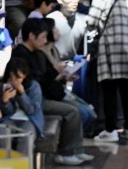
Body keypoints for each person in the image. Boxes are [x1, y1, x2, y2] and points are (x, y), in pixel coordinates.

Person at [12, 19, 92, 166]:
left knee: (74, 107)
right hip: (32, 100)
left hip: (41, 96)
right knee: (72, 111)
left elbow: (43, 78)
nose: (44, 41)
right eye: (42, 37)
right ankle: (66, 152)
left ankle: (76, 150)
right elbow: (34, 81)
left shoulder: (34, 53)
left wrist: (57, 76)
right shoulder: (21, 55)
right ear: (31, 36)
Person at [86, 0, 128, 143]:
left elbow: (91, 22)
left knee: (109, 87)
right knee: (127, 88)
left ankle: (110, 129)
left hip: (112, 44)